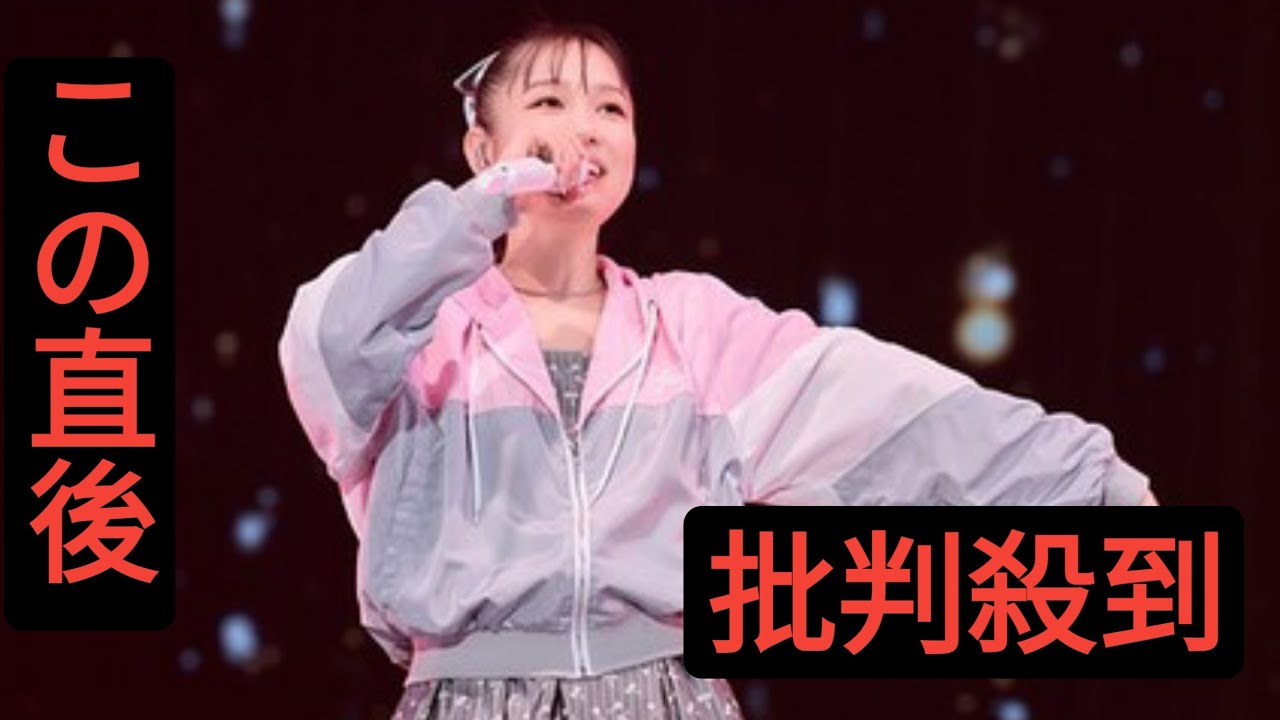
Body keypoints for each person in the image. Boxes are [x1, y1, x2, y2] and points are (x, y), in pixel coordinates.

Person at [278, 21, 1157, 720]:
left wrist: (1086, 481)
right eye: (548, 100)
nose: (584, 129)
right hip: (471, 701)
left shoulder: (692, 327)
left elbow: (891, 413)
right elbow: (328, 343)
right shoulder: (428, 330)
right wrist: (476, 214)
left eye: (611, 109)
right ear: (481, 148)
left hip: (666, 697)